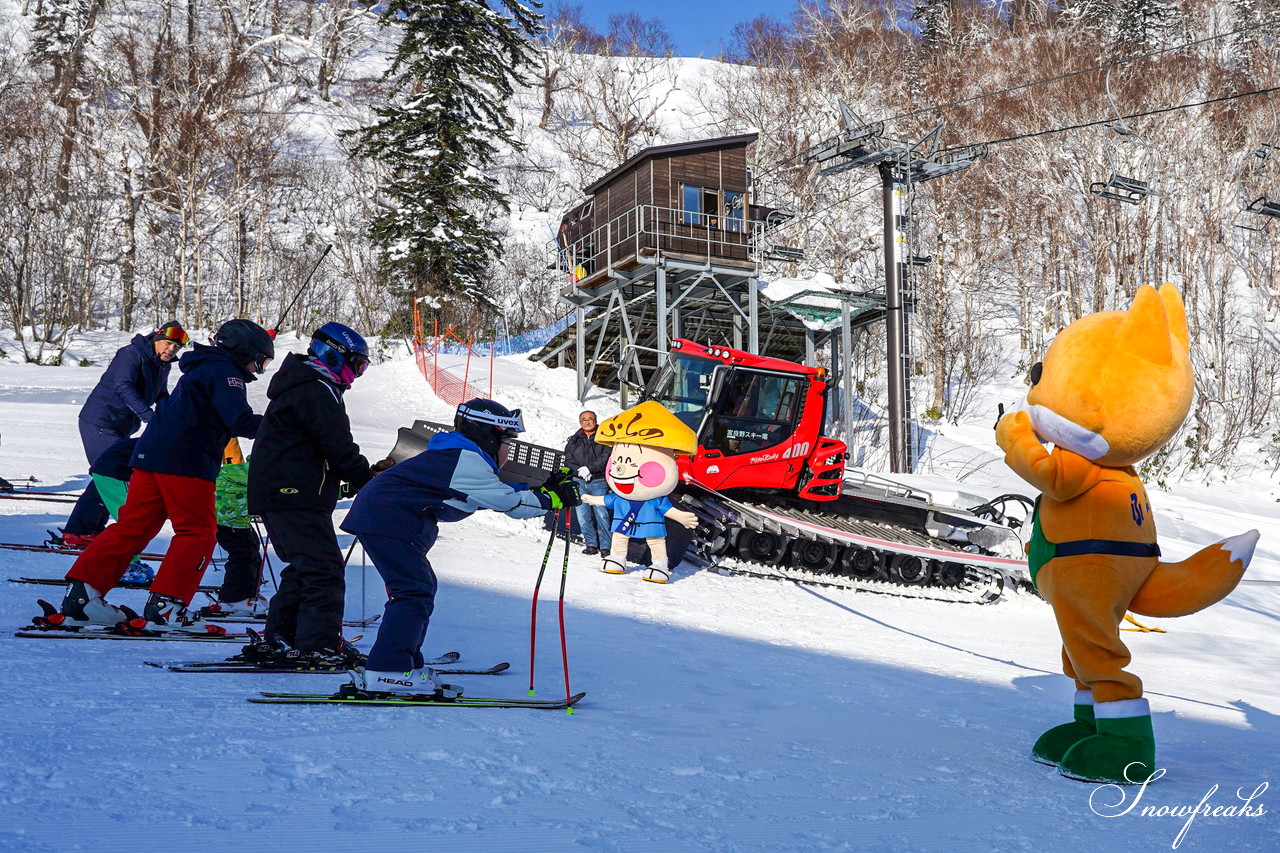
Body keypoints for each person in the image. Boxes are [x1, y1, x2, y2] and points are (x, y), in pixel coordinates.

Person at [338, 399, 580, 695]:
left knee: (418, 590)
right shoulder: (465, 459)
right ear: (487, 435)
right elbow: (507, 502)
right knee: (413, 591)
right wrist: (552, 499)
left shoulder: (460, 456)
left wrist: (544, 490)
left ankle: (403, 665)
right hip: (386, 520)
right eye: (506, 441)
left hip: (387, 519)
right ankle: (388, 670)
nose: (508, 451)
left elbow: (494, 491)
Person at [60, 319, 272, 628]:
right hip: (186, 462)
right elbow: (239, 420)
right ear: (243, 351)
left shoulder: (200, 369)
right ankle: (167, 607)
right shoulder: (226, 373)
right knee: (197, 531)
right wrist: (284, 426)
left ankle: (83, 597)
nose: (257, 369)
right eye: (260, 361)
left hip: (148, 457)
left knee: (133, 526)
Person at [244, 323, 380, 667]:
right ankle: (317, 644)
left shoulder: (310, 385)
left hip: (290, 493)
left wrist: (353, 479)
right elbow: (337, 445)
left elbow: (318, 450)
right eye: (357, 364)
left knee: (304, 568)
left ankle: (282, 638)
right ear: (331, 354)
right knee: (323, 570)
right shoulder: (315, 389)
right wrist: (368, 480)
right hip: (293, 494)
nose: (357, 374)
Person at [60, 322, 188, 546]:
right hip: (100, 421)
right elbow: (123, 386)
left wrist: (176, 416)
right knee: (109, 475)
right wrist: (149, 417)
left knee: (113, 474)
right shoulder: (131, 354)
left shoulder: (162, 365)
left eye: (176, 348)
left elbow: (161, 394)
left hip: (122, 426)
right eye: (168, 343)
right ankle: (78, 532)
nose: (171, 350)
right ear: (156, 339)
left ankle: (87, 530)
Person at [199, 438, 266, 618]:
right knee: (243, 556)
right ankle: (234, 598)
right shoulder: (259, 474)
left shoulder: (245, 469)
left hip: (234, 520)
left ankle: (247, 595)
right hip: (229, 521)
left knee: (251, 553)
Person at [564, 410, 611, 556]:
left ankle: (605, 546)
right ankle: (591, 544)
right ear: (580, 422)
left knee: (601, 514)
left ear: (596, 420)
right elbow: (568, 458)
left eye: (590, 419)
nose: (587, 422)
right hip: (579, 480)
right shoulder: (575, 439)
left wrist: (590, 469)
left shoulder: (603, 437)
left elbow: (606, 456)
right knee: (582, 514)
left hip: (598, 480)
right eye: (584, 420)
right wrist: (579, 470)